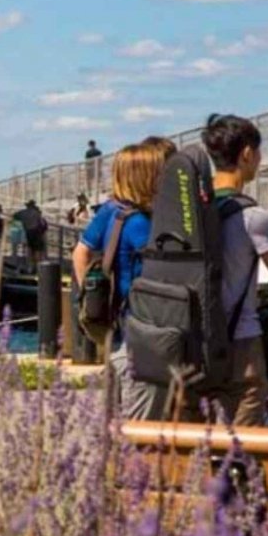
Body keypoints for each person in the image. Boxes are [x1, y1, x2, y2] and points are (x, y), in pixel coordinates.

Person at [202, 114, 268, 426]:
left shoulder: (193, 210)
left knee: (204, 433)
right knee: (243, 440)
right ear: (246, 154)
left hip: (194, 341)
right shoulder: (254, 218)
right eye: (257, 154)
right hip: (241, 341)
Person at [72, 142, 164, 418]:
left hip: (121, 323)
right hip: (143, 329)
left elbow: (81, 251)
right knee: (139, 422)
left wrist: (93, 295)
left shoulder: (113, 210)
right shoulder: (143, 223)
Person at [13, 199, 48, 270]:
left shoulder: (23, 213)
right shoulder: (36, 213)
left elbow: (15, 216)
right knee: (37, 250)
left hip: (28, 232)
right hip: (36, 232)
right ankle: (38, 267)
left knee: (30, 249)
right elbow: (41, 223)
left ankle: (31, 267)